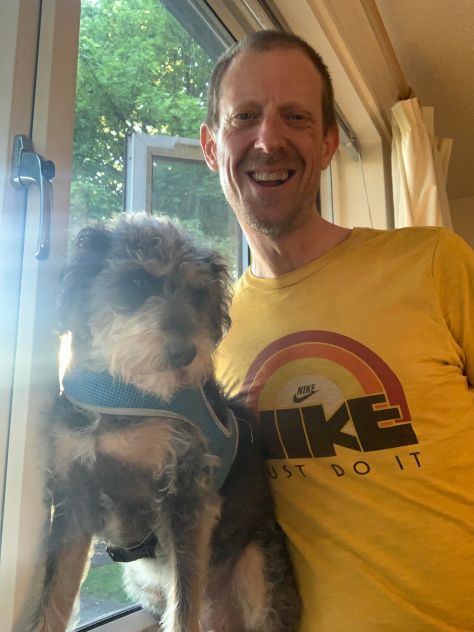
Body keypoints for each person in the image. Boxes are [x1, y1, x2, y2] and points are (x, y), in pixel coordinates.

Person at [200, 30, 474, 632]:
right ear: (212, 146)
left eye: (295, 117)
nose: (268, 139)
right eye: (245, 116)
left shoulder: (434, 262)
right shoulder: (210, 335)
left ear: (327, 145)